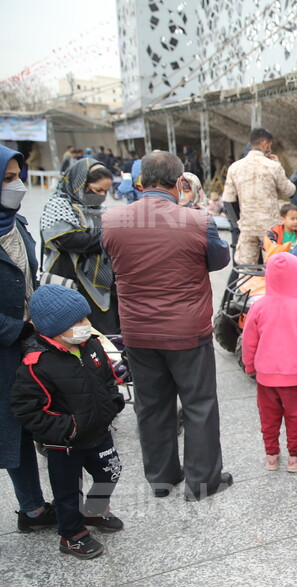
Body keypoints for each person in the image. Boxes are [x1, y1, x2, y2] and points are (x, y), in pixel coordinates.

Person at [102, 151, 233, 501]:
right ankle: (201, 482)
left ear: (141, 182)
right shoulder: (195, 221)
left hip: (138, 331)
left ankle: (161, 478)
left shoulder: (113, 220)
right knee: (199, 403)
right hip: (187, 330)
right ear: (179, 182)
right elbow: (220, 260)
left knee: (151, 404)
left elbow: (109, 260)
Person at [11, 285, 125, 559]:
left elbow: (107, 378)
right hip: (66, 444)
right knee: (67, 492)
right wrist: (67, 428)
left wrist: (113, 402)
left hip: (99, 431)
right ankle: (71, 535)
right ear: (54, 328)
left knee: (111, 472)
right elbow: (25, 408)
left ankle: (94, 510)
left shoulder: (92, 345)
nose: (87, 325)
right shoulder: (36, 363)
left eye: (86, 318)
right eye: (78, 322)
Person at [0, 145, 57, 533]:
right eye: (7, 179)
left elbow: (29, 279)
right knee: (12, 427)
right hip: (6, 345)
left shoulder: (14, 224)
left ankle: (44, 504)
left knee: (35, 418)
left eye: (18, 175)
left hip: (28, 339)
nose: (17, 185)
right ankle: (32, 509)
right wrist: (14, 328)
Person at [242, 252, 297, 473]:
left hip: (265, 376)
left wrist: (249, 365)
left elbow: (249, 341)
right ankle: (294, 458)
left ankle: (271, 457)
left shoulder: (258, 306)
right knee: (295, 417)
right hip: (296, 377)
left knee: (268, 417)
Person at [40, 159, 120, 334]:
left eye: (105, 191)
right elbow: (67, 240)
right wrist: (108, 237)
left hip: (101, 280)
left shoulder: (98, 208)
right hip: (71, 280)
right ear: (80, 184)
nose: (101, 195)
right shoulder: (59, 204)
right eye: (98, 190)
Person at [222, 128, 296, 266]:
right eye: (270, 145)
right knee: (272, 266)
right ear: (265, 143)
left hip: (247, 227)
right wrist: (279, 166)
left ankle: (244, 288)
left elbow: (228, 200)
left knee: (245, 268)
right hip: (270, 228)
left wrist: (238, 224)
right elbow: (289, 191)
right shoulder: (273, 167)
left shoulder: (235, 167)